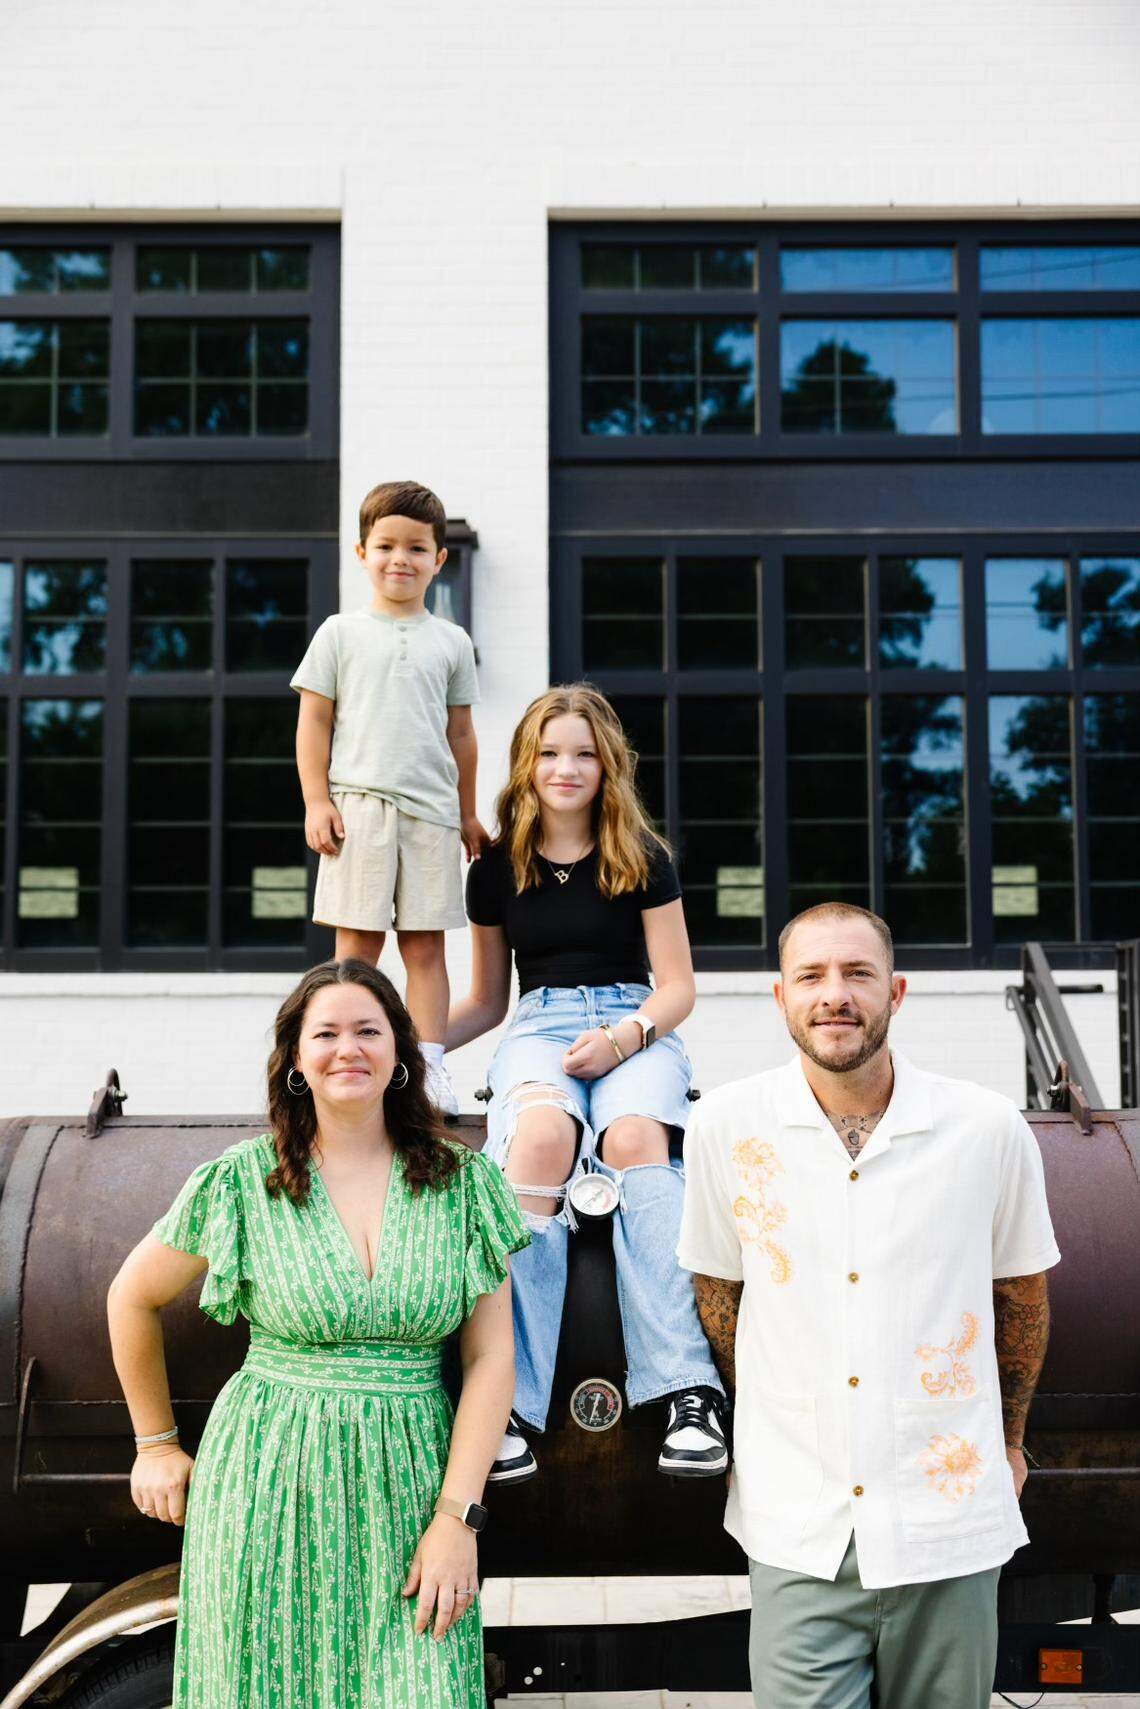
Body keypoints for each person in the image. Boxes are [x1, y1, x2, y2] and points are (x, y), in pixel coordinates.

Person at [107, 958, 528, 1709]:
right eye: (325, 1032)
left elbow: (493, 1357)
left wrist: (458, 1517)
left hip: (412, 1495)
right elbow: (131, 1297)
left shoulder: (463, 1183)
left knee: (422, 1689)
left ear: (399, 1051)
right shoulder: (242, 1180)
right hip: (267, 1487)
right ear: (296, 1059)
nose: (348, 1049)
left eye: (369, 1030)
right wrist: (155, 1444)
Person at [678, 902, 1060, 1709]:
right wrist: (771, 1427)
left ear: (899, 991)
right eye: (812, 975)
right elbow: (718, 1289)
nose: (835, 994)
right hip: (797, 1524)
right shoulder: (722, 1126)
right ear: (780, 996)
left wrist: (1012, 1440)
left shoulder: (986, 1128)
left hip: (944, 1516)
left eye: (858, 973)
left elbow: (1020, 1292)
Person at [447, 683, 727, 1482]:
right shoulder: (496, 870)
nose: (565, 767)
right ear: (526, 764)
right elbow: (486, 1001)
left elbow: (677, 986)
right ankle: (507, 1399)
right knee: (540, 1138)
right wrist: (410, 1045)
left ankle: (686, 1392)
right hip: (536, 1026)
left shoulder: (642, 856)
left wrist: (624, 1036)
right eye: (549, 751)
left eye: (583, 753)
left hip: (637, 1023)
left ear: (608, 766)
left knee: (632, 1136)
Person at [291, 479, 488, 1118]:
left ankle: (427, 1066)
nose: (399, 558)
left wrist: (465, 814)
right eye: (385, 546)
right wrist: (316, 800)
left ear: (439, 559)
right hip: (359, 810)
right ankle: (341, 1056)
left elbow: (460, 734)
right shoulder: (339, 633)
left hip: (430, 815)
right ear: (361, 552)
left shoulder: (451, 642)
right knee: (356, 949)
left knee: (426, 949)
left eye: (415, 547)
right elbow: (314, 723)